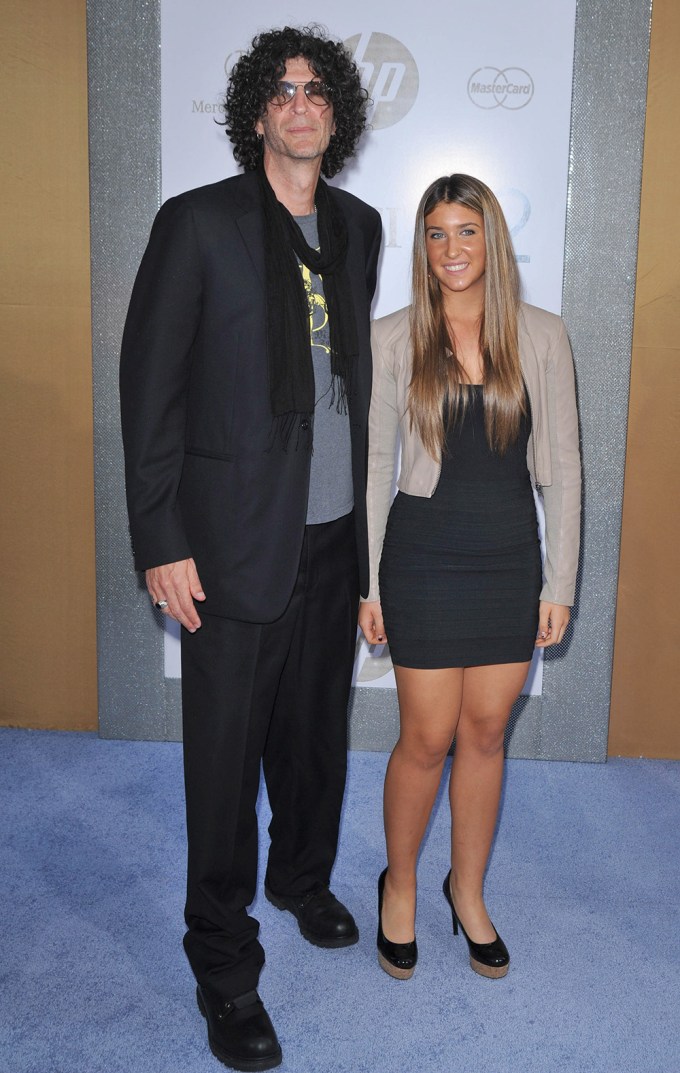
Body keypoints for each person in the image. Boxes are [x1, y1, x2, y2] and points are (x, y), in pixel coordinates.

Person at [120, 25, 381, 1071]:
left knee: (314, 735)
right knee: (224, 765)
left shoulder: (357, 227)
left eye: (317, 89)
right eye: (281, 89)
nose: (300, 103)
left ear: (337, 112)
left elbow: (354, 386)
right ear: (256, 111)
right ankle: (224, 966)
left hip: (330, 536)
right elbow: (151, 391)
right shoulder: (197, 224)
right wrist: (160, 535)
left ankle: (301, 876)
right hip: (226, 545)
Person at [358, 174, 581, 982]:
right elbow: (373, 470)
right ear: (422, 247)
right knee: (426, 735)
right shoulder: (392, 339)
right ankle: (404, 886)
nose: (451, 250)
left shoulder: (542, 335)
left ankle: (470, 890)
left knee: (486, 732)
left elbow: (563, 470)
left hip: (506, 560)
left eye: (466, 231)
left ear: (493, 239)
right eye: (436, 234)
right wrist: (369, 584)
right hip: (419, 558)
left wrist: (559, 583)